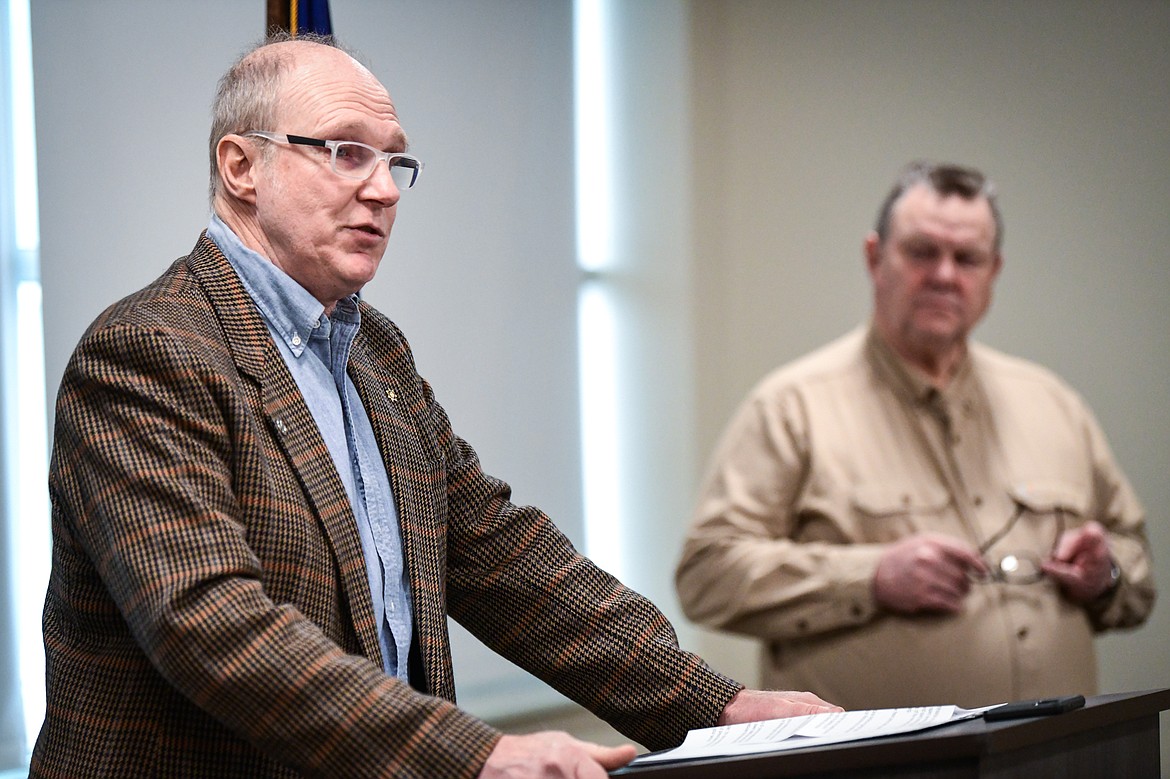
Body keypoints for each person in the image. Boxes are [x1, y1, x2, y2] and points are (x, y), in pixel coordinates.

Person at [30, 33, 839, 779]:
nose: (382, 190)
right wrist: (478, 754)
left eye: (394, 161)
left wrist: (720, 707)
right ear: (241, 166)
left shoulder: (374, 351)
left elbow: (502, 557)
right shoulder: (148, 352)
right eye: (346, 153)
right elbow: (211, 623)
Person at [675, 161, 1155, 711]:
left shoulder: (1054, 403)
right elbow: (707, 575)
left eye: (967, 258)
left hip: (1066, 758)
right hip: (882, 768)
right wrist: (871, 577)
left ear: (994, 271)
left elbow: (1137, 567)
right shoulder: (792, 408)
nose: (945, 275)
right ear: (875, 257)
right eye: (922, 251)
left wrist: (1107, 574)